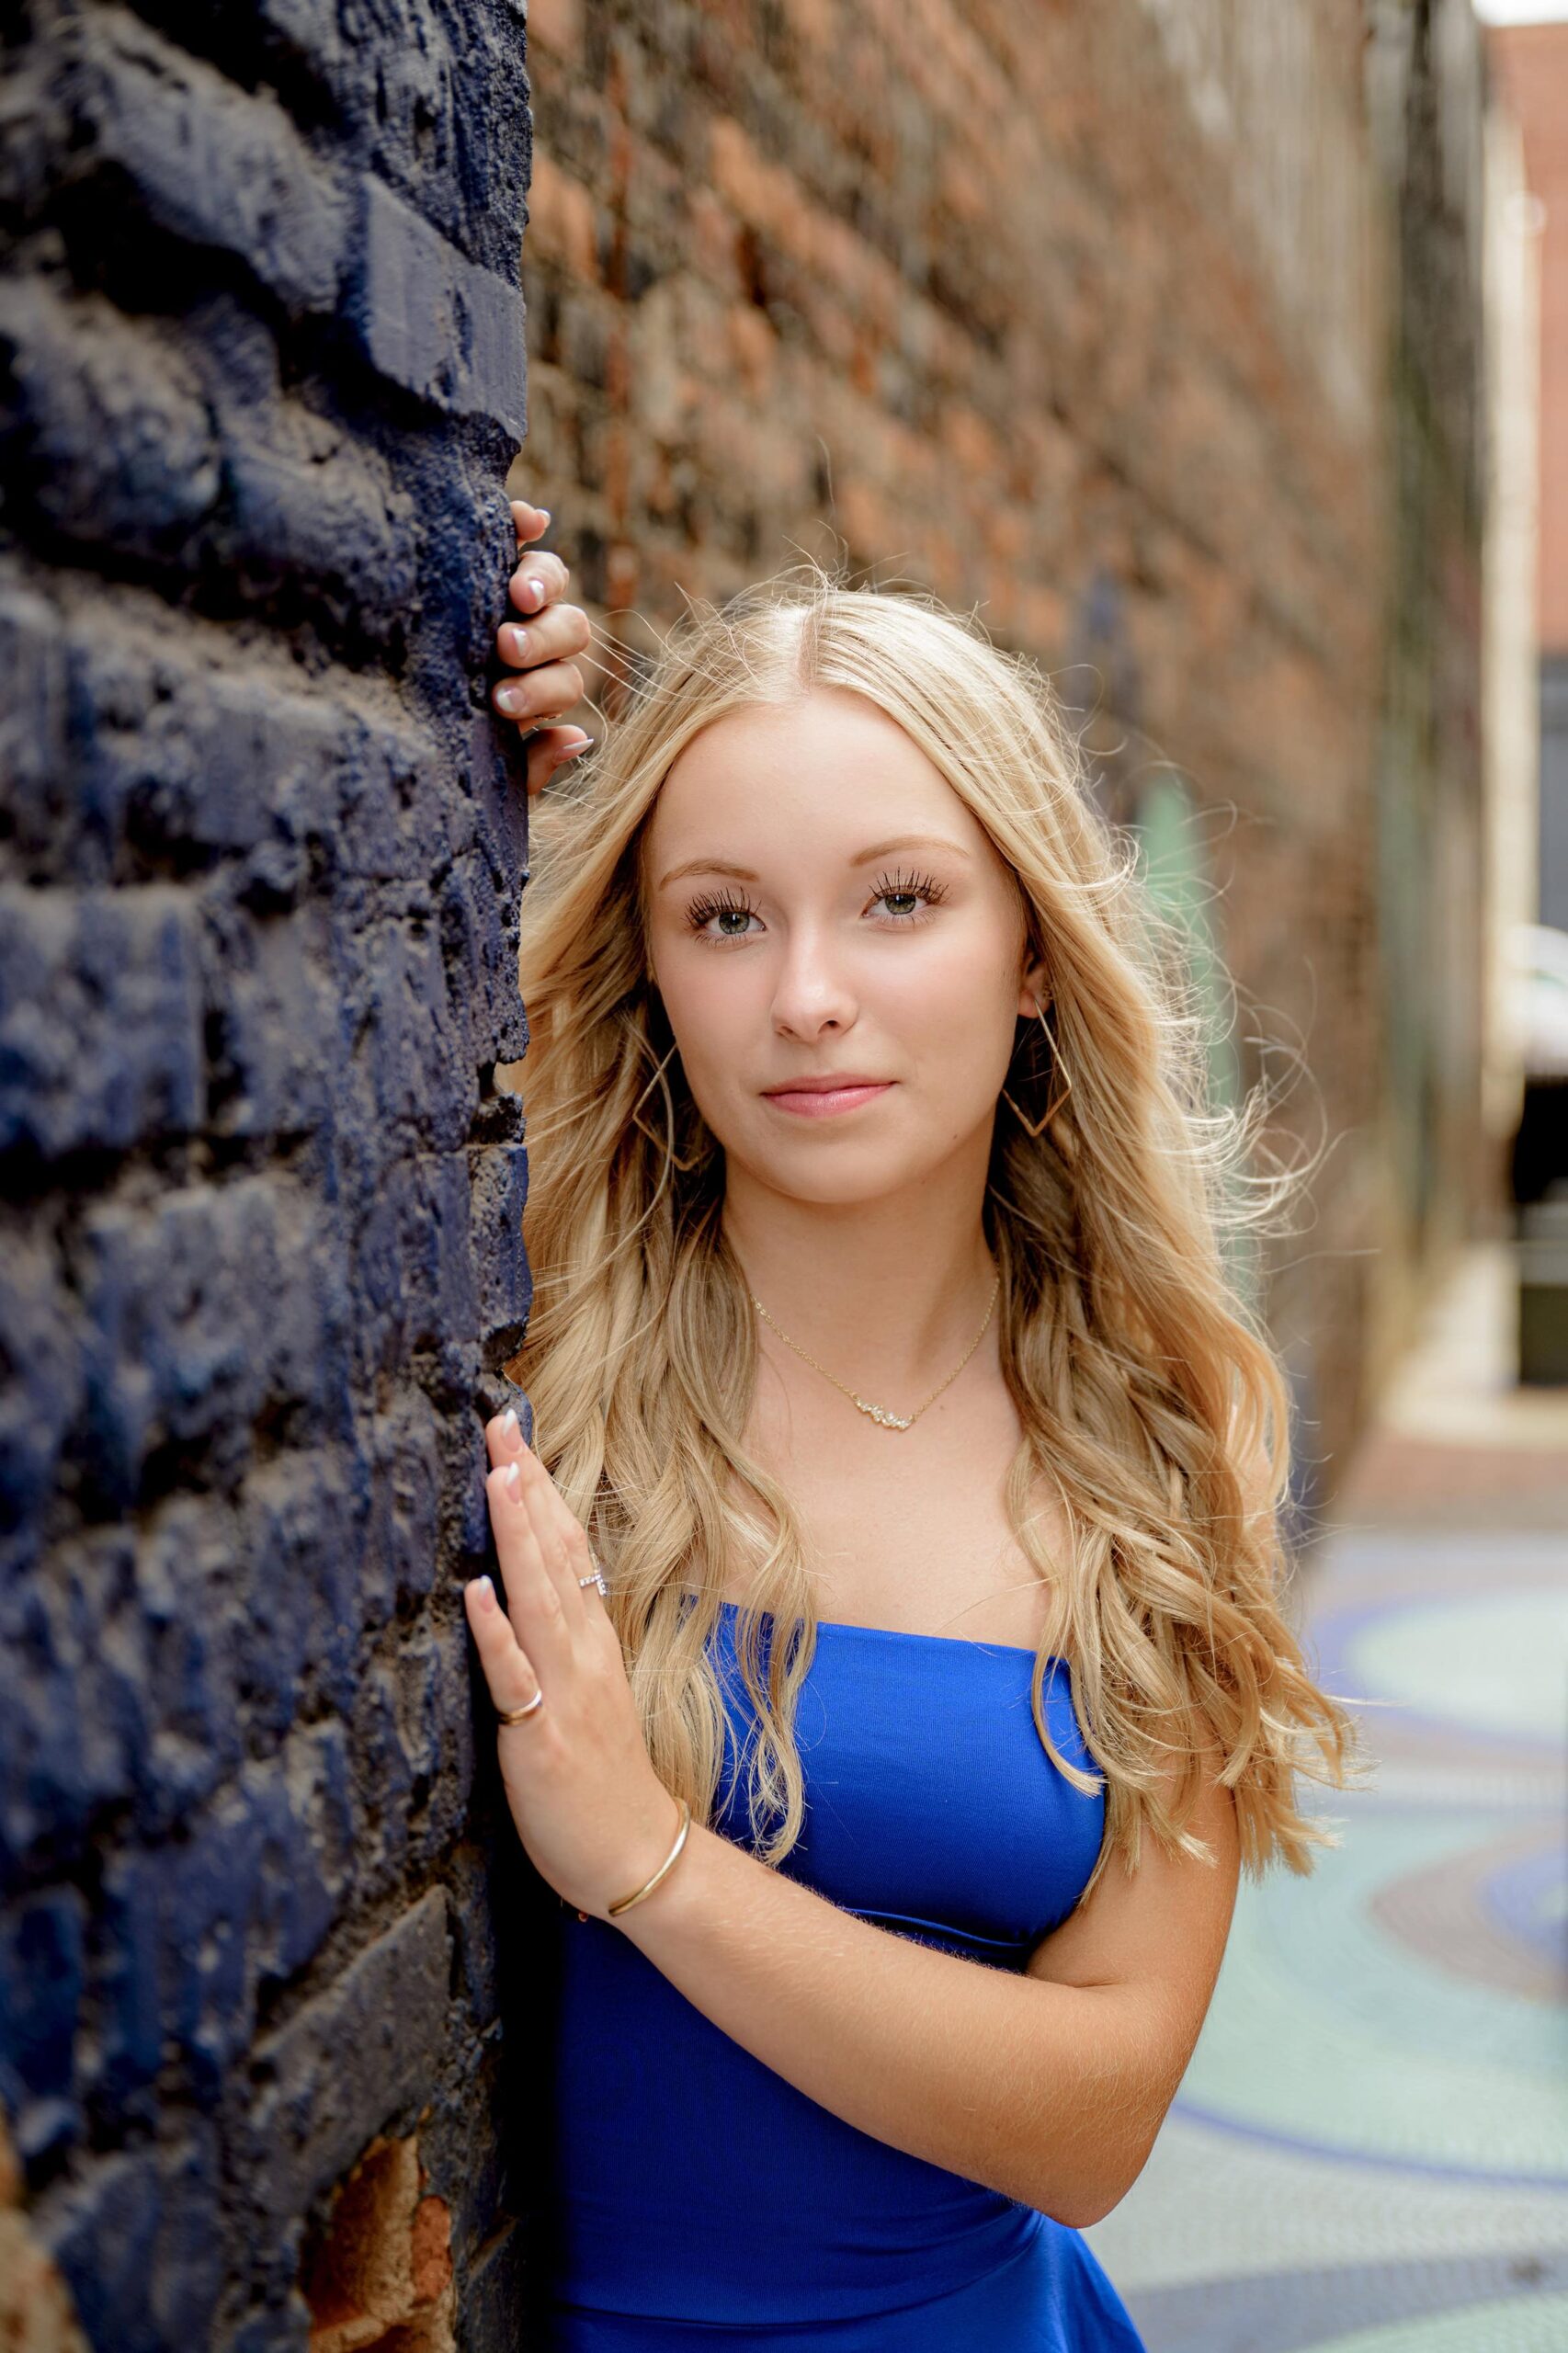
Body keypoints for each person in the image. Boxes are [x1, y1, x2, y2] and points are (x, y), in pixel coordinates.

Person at [465, 504, 1366, 2347]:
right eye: (725, 915)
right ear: (650, 961)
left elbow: (1099, 2110)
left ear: (1032, 948)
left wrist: (647, 1858)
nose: (807, 995)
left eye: (899, 898)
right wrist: (469, 719)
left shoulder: (1150, 1448)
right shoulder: (535, 1349)